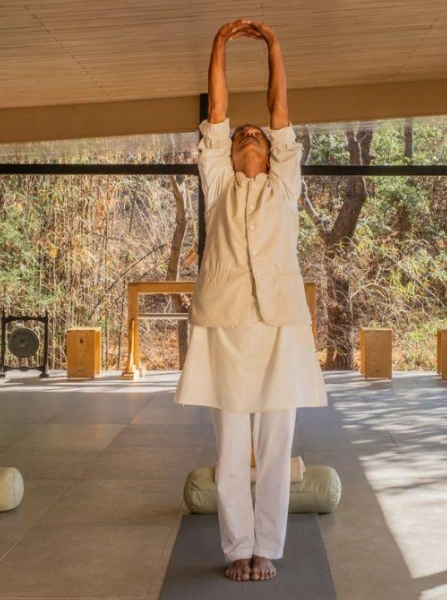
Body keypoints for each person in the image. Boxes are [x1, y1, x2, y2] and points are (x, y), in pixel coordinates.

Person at [173, 19, 328, 582]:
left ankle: (269, 548)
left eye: (255, 137)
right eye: (240, 138)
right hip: (226, 331)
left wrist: (275, 48)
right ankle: (239, 548)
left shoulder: (285, 186)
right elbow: (216, 113)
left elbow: (281, 111)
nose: (246, 139)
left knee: (277, 448)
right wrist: (217, 46)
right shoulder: (217, 187)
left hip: (278, 329)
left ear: (270, 151)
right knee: (232, 451)